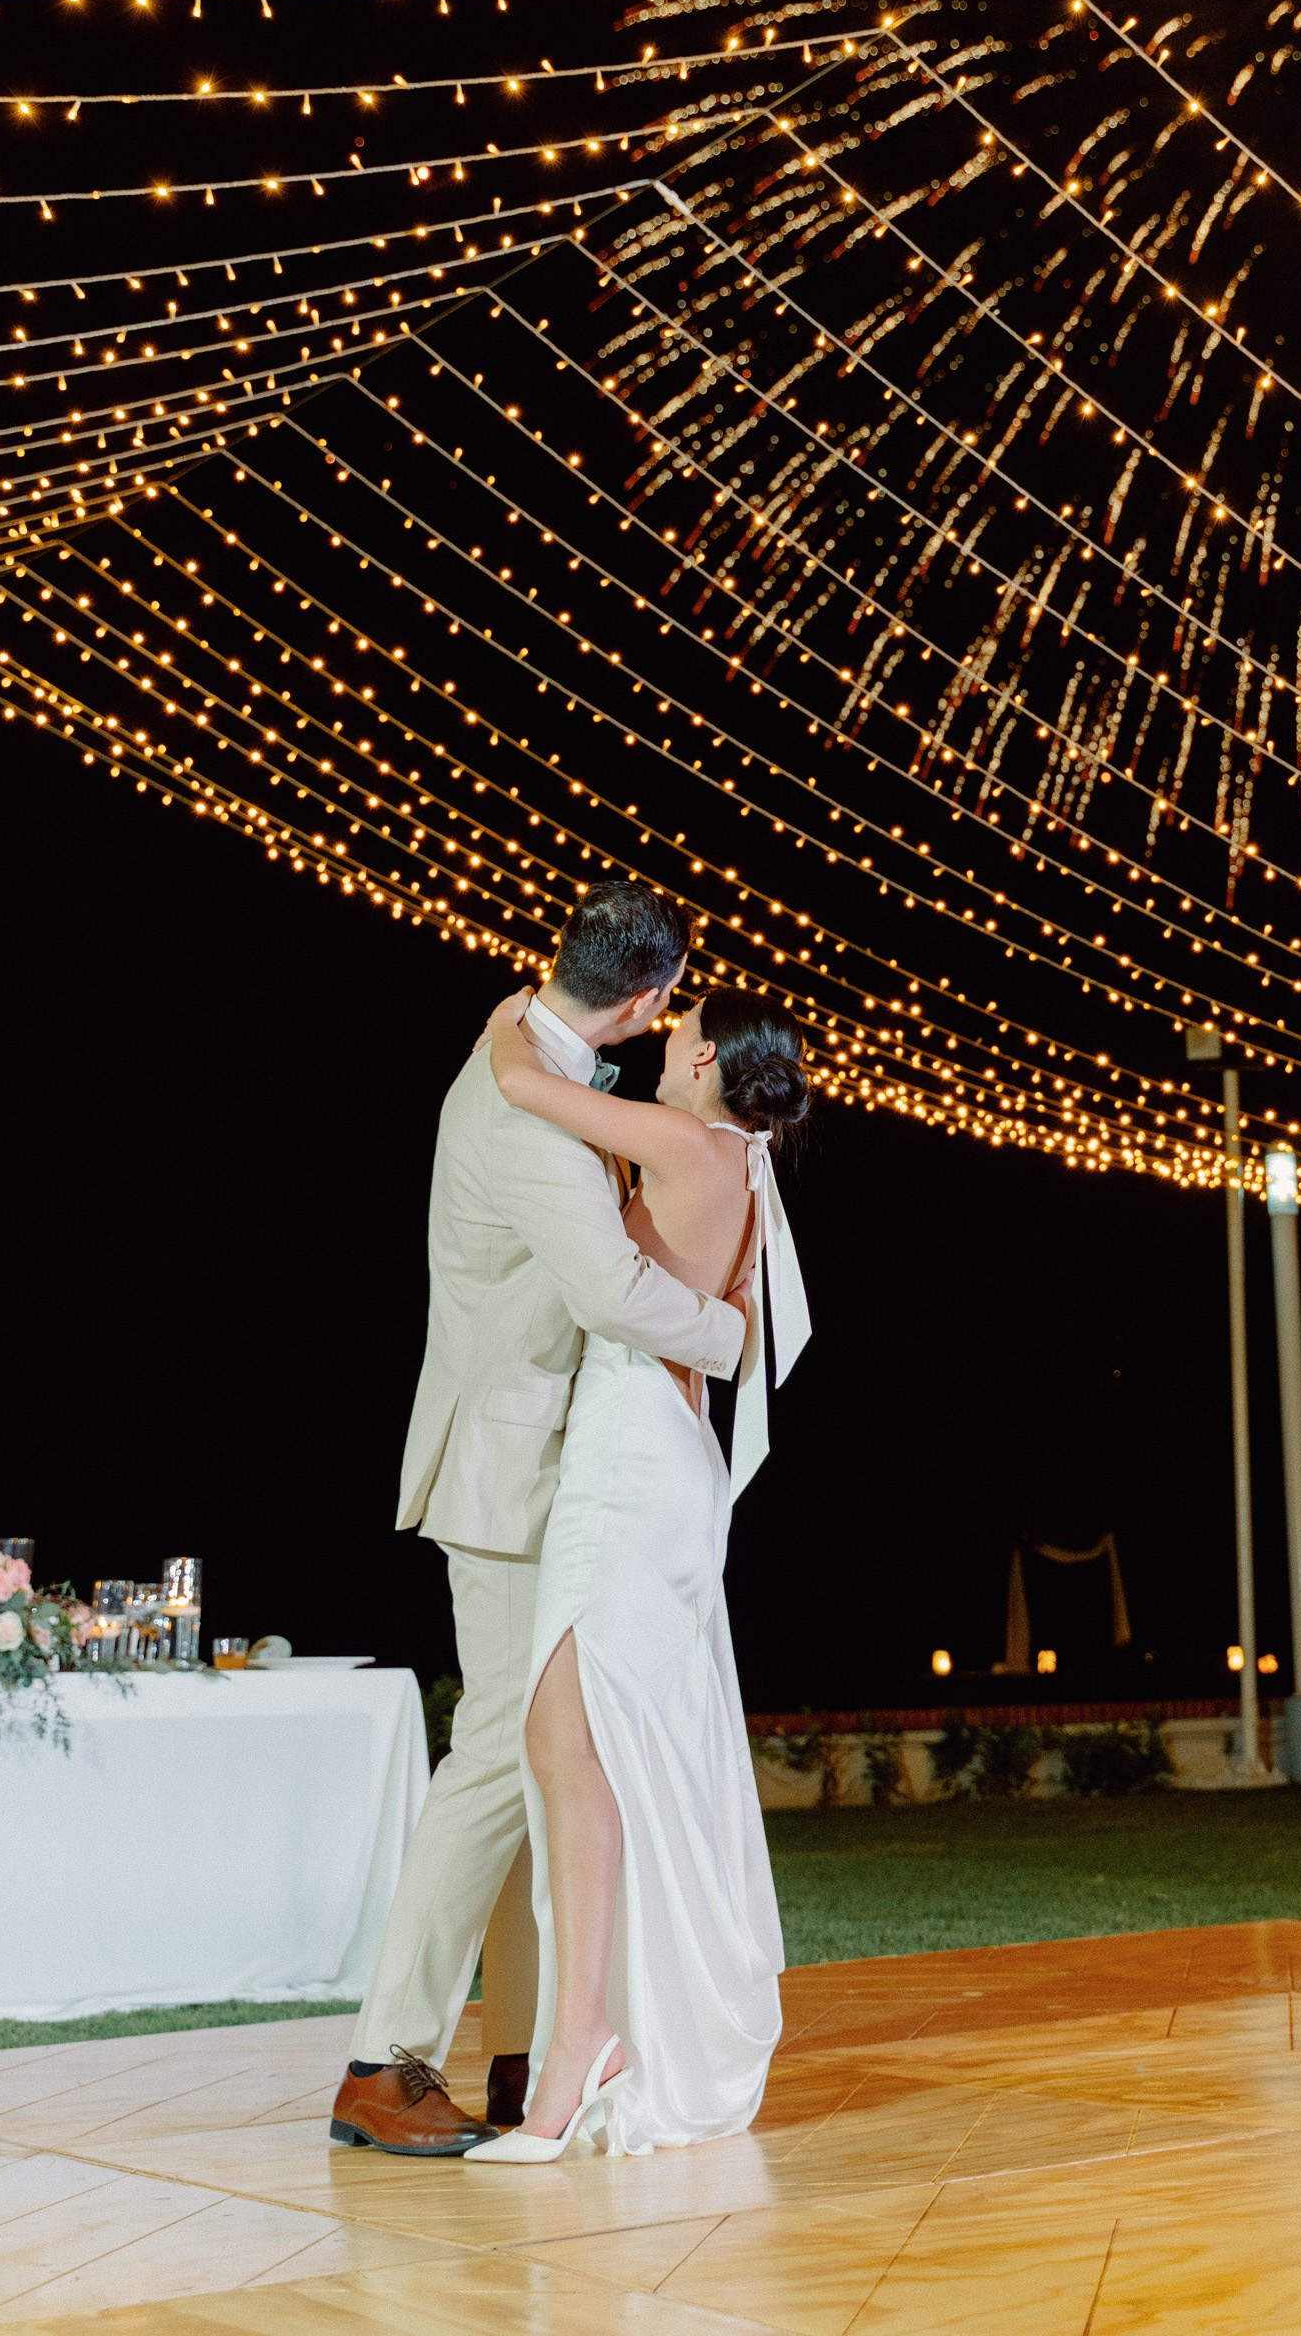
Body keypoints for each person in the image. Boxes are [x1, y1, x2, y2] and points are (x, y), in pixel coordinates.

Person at [331, 880, 748, 2159]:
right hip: (512, 1477)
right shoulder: (525, 1110)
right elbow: (615, 1292)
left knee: (542, 1756)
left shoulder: (524, 1044)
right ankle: (383, 2058)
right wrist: (735, 1341)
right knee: (507, 1753)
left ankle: (522, 2053)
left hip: (561, 1471)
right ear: (647, 999)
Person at [464, 980, 809, 2164]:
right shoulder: (736, 1162)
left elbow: (524, 1086)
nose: (660, 1047)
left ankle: (584, 2045)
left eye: (672, 1033)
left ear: (706, 1055)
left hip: (633, 1467)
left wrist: (526, 1006)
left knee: (570, 1743)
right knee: (581, 1748)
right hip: (650, 1456)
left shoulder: (685, 1139)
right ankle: (592, 2035)